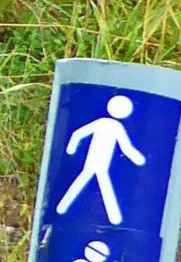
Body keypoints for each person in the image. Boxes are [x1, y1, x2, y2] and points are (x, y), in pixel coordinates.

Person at [57, 94, 145, 225]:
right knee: (95, 183)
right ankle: (113, 217)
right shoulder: (110, 125)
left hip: (100, 163)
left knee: (92, 182)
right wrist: (138, 159)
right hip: (95, 162)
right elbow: (78, 134)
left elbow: (126, 147)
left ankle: (63, 207)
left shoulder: (109, 125)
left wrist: (138, 159)